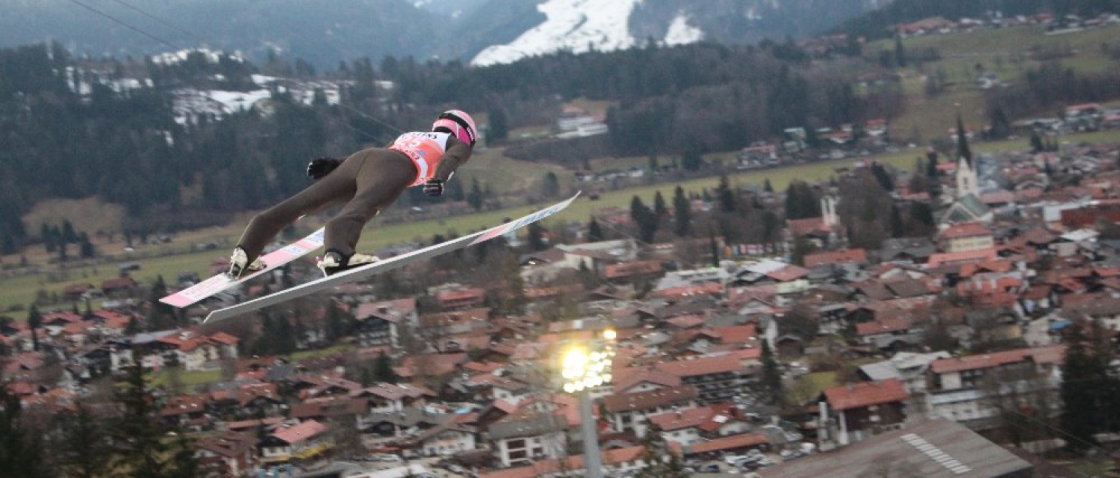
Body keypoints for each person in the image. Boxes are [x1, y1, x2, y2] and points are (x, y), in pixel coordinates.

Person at [228, 109, 477, 277]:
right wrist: (438, 179)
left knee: (302, 203)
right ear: (465, 134)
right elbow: (452, 158)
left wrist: (335, 164)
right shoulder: (456, 143)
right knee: (365, 205)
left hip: (364, 158)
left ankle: (246, 251)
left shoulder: (412, 134)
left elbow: (378, 155)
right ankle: (339, 254)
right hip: (397, 166)